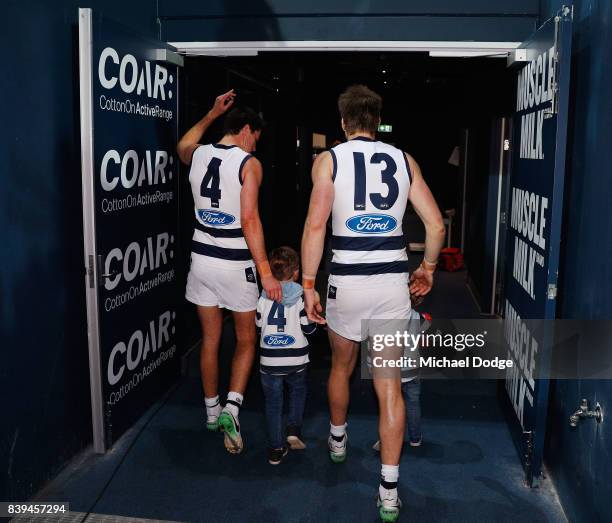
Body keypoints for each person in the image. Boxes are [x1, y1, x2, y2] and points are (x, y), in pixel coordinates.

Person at [301, 85, 445, 522]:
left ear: (343, 122)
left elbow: (315, 226)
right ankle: (387, 491)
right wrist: (430, 269)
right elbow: (435, 225)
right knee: (389, 387)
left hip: (347, 284)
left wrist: (308, 284)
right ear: (376, 120)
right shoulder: (404, 160)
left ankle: (338, 439)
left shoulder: (328, 161)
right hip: (390, 286)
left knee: (341, 366)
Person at [177, 90, 282, 455]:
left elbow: (182, 144)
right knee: (245, 340)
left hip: (201, 261)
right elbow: (250, 218)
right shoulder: (248, 165)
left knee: (209, 339)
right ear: (246, 129)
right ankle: (232, 410)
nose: (257, 145)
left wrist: (210, 113)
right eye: (257, 136)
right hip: (236, 264)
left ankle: (210, 411)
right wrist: (266, 272)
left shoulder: (200, 154)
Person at [255, 246, 317, 465]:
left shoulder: (262, 298)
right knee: (298, 392)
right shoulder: (301, 298)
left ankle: (275, 449)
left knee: (273, 403)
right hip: (297, 359)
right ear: (297, 272)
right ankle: (293, 430)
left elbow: (259, 325)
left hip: (269, 359)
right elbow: (309, 329)